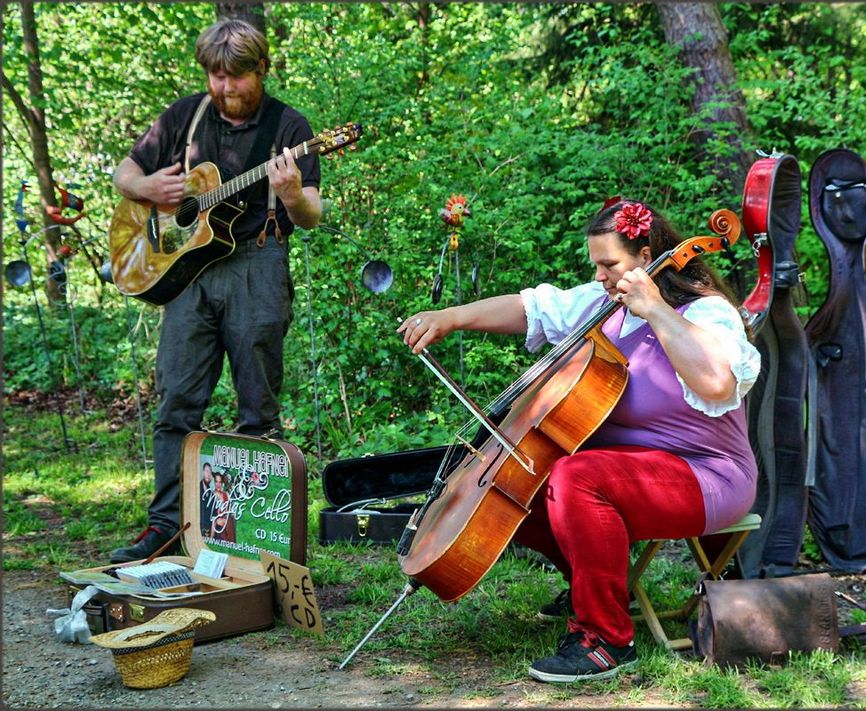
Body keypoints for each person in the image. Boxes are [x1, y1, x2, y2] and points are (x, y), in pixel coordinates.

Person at [398, 198, 760, 683]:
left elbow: (717, 382)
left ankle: (605, 638)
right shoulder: (600, 305)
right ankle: (594, 586)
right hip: (629, 471)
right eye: (595, 264)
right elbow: (531, 307)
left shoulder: (708, 313)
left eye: (609, 264)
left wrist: (653, 307)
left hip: (707, 475)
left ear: (647, 253)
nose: (600, 275)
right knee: (518, 474)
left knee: (578, 477)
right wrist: (451, 317)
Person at [110, 18, 321, 563]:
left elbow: (312, 214)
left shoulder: (290, 127)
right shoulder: (185, 115)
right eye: (217, 76)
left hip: (258, 264)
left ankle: (252, 537)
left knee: (258, 410)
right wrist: (148, 186)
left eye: (238, 77)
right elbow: (124, 174)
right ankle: (166, 527)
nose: (226, 89)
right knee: (176, 401)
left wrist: (292, 194)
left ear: (262, 69)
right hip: (187, 275)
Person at [199, 462, 216, 537]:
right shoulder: (196, 488)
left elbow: (213, 516)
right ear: (203, 472)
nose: (208, 474)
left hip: (207, 533)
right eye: (206, 471)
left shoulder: (212, 494)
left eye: (210, 472)